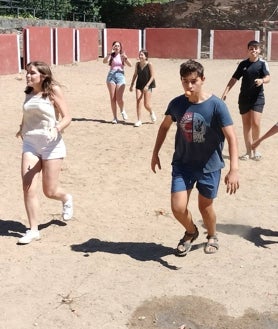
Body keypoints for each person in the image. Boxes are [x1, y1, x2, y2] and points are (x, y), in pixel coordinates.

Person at [151, 60, 239, 256]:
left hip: (210, 166)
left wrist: (234, 169)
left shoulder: (217, 105)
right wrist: (155, 152)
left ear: (203, 79)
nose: (189, 86)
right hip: (183, 164)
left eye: (194, 81)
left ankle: (212, 235)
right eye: (185, 81)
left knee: (205, 206)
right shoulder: (177, 104)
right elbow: (164, 126)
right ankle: (191, 231)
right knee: (177, 207)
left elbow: (232, 137)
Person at [16, 61, 73, 244]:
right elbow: (29, 114)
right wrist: (21, 128)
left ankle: (65, 197)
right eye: (27, 72)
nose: (28, 76)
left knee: (50, 191)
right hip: (31, 144)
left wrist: (56, 129)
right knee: (28, 187)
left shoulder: (53, 91)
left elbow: (67, 117)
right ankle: (33, 230)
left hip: (51, 144)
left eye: (32, 73)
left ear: (43, 75)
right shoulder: (28, 92)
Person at [221, 40, 270, 161]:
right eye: (251, 48)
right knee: (246, 125)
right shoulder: (243, 64)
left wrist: (262, 81)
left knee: (256, 123)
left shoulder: (262, 64)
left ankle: (256, 149)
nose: (253, 50)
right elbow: (234, 79)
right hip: (244, 98)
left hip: (258, 98)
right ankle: (248, 152)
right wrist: (225, 92)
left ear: (259, 50)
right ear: (247, 50)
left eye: (256, 48)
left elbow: (268, 77)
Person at [103, 41, 132, 124]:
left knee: (119, 98)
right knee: (113, 98)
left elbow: (130, 65)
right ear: (113, 47)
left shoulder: (122, 55)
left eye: (118, 46)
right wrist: (108, 54)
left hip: (120, 76)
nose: (116, 47)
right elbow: (104, 61)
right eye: (115, 46)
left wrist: (126, 58)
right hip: (111, 76)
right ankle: (115, 118)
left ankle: (122, 110)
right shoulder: (111, 55)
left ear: (120, 47)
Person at [129, 49, 157, 127]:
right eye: (139, 54)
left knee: (146, 104)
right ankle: (139, 120)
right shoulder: (137, 64)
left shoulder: (149, 64)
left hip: (148, 85)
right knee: (138, 101)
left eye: (142, 55)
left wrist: (147, 85)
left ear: (146, 57)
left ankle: (151, 112)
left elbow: (152, 76)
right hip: (139, 84)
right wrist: (131, 85)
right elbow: (135, 75)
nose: (140, 56)